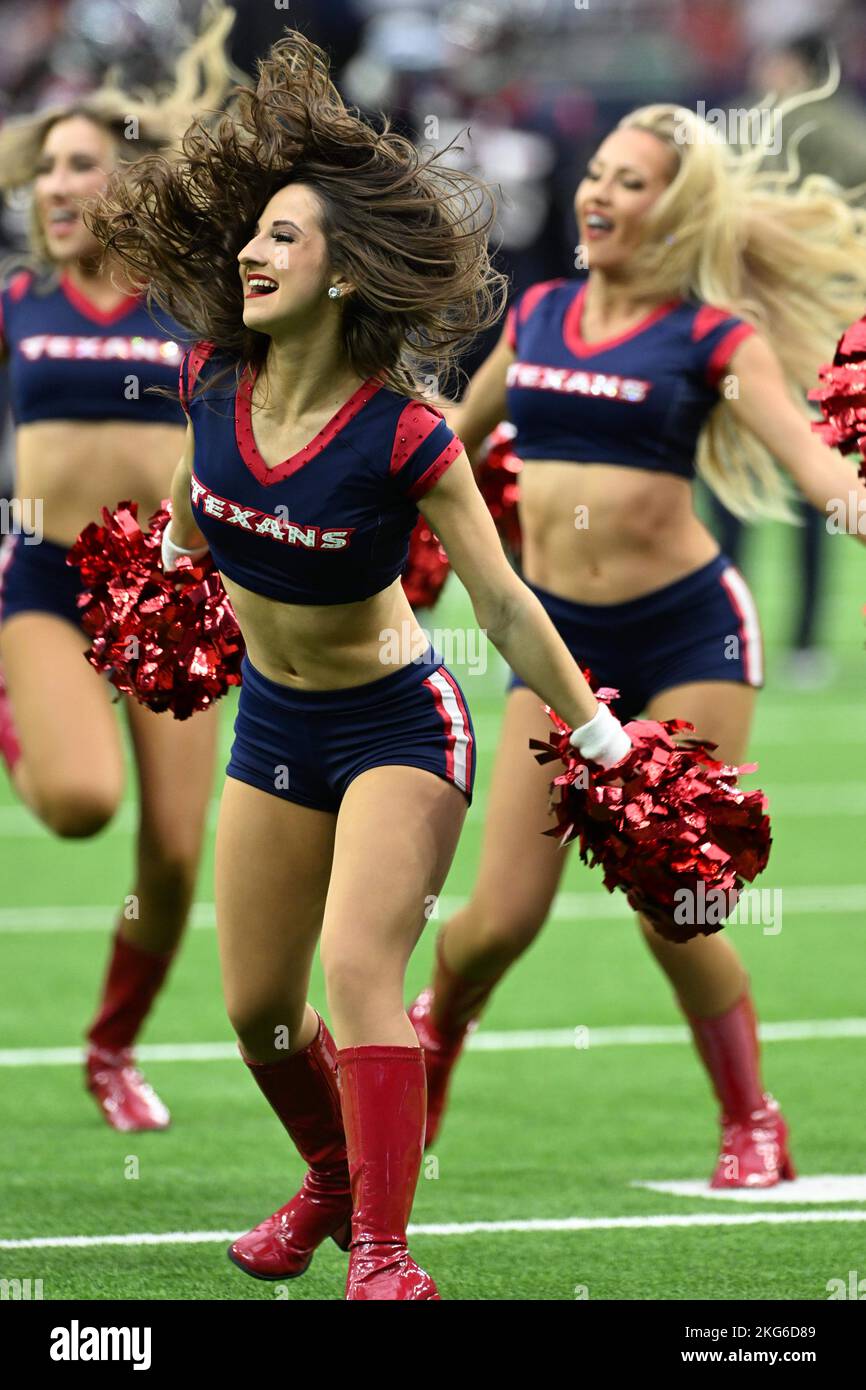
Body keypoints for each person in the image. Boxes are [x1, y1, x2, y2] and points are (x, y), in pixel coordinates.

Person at [89, 32, 688, 1300]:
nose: (251, 253)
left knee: (358, 970)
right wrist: (155, 584)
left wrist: (597, 736)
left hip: (398, 727)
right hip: (272, 728)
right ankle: (327, 1181)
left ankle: (382, 1253)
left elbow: (505, 602)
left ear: (345, 274)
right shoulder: (208, 381)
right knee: (256, 1010)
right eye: (252, 234)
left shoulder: (405, 431)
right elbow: (191, 529)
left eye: (284, 239)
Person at [408, 98, 866, 1187]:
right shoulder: (543, 315)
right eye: (597, 174)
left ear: (676, 209)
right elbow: (438, 454)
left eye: (630, 181)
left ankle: (752, 1119)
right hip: (558, 650)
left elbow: (816, 475)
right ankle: (430, 1053)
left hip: (687, 641)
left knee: (678, 902)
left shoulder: (711, 337)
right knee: (493, 923)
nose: (600, 194)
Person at [0, 3, 238, 1131]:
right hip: (47, 580)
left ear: (127, 183)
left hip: (170, 596)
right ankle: (16, 711)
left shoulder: (191, 313)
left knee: (177, 854)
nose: (55, 186)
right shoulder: (16, 305)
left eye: (81, 165)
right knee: (86, 804)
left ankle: (111, 1047)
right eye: (45, 168)